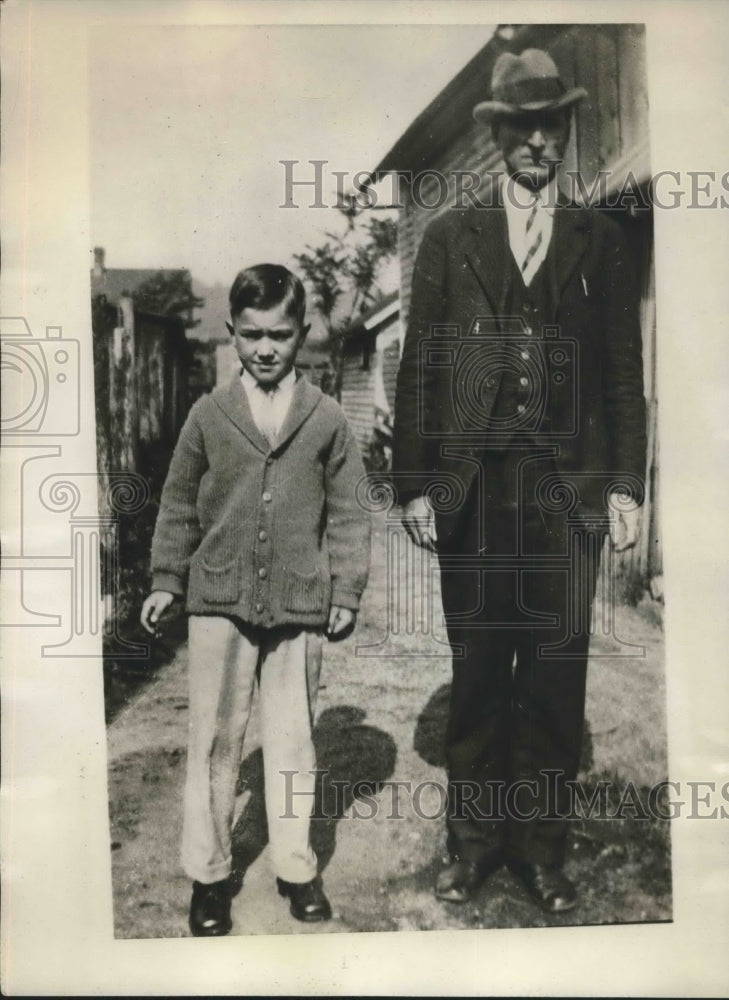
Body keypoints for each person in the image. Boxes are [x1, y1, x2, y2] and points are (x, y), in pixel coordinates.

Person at [393, 49, 647, 913]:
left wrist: (621, 488)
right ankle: (471, 847)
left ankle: (539, 849)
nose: (539, 143)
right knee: (477, 673)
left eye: (552, 126)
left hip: (562, 497)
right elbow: (419, 369)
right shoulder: (446, 238)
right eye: (522, 127)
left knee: (551, 675)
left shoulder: (600, 240)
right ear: (498, 133)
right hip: (472, 493)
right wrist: (416, 485)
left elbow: (620, 371)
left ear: (564, 132)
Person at [140, 263, 371, 936]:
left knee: (293, 743)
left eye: (280, 334)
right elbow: (178, 503)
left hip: (299, 605)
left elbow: (352, 510)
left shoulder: (325, 419)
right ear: (232, 334)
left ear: (302, 334)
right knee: (215, 742)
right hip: (218, 603)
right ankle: (209, 876)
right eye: (251, 335)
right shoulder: (208, 415)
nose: (265, 349)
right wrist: (165, 580)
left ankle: (296, 867)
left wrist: (346, 589)